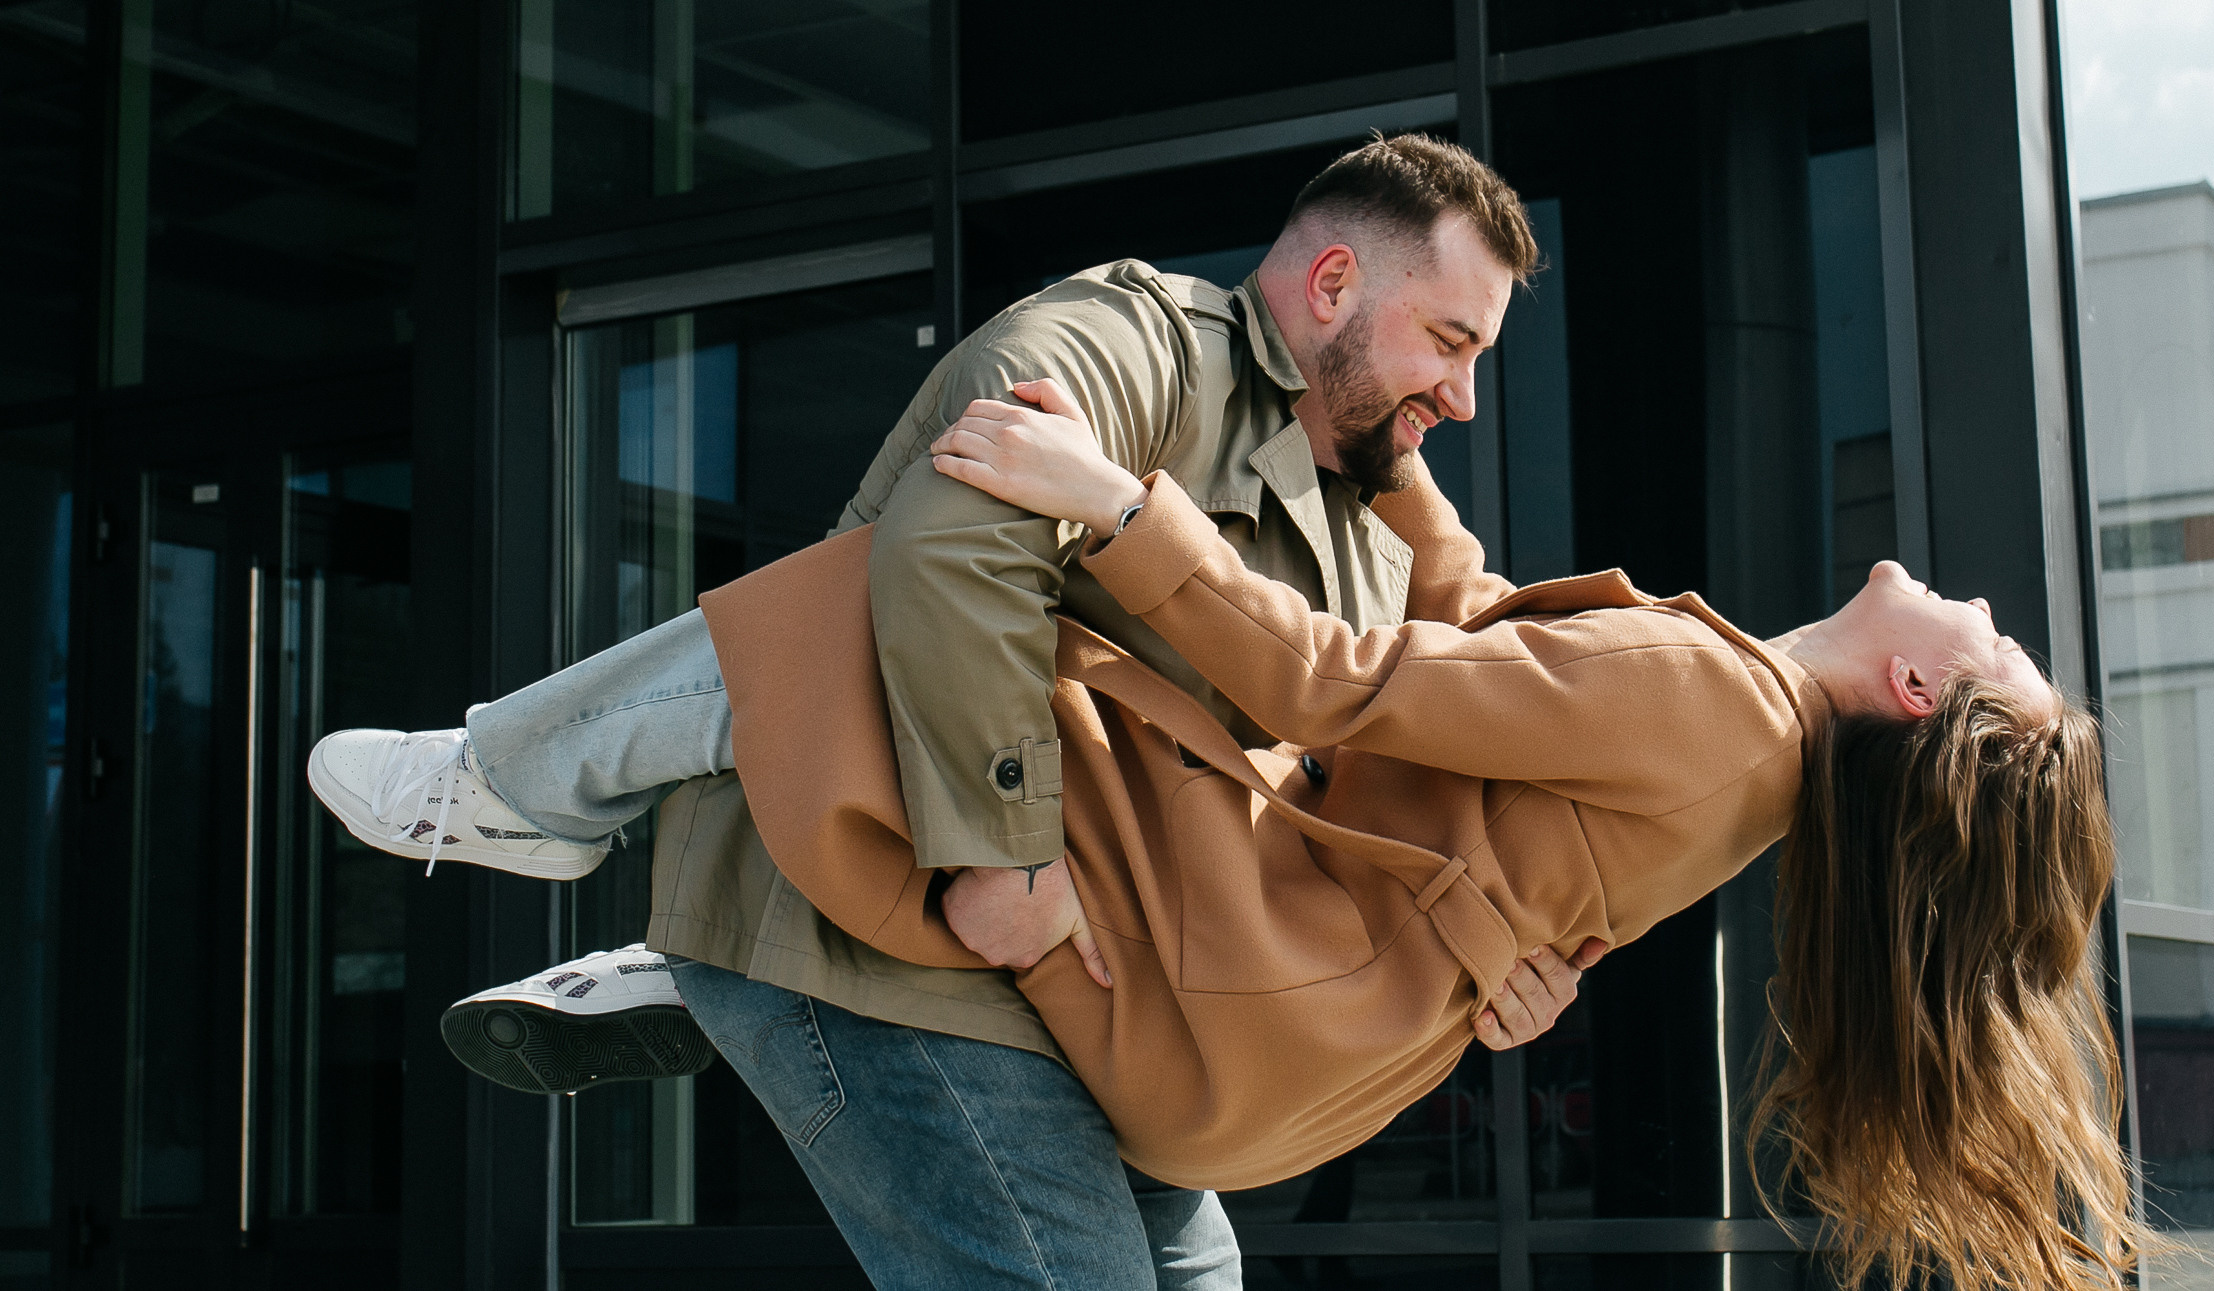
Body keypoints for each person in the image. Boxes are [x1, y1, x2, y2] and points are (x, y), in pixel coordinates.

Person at [306, 134, 1597, 1291]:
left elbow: (1468, 715)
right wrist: (1003, 851)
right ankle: (525, 782)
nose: (1468, 397)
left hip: (1104, 985)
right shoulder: (1137, 344)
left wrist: (1484, 950)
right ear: (1331, 288)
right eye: (1452, 342)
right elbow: (949, 545)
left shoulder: (1374, 531)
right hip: (898, 923)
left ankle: (644, 923)